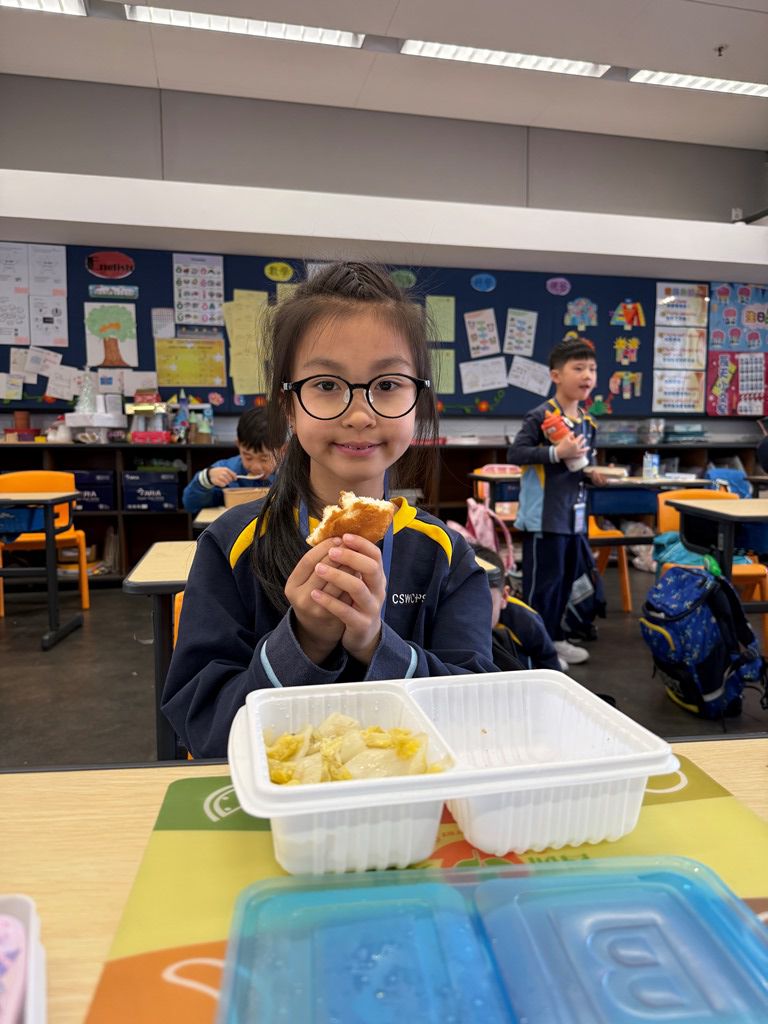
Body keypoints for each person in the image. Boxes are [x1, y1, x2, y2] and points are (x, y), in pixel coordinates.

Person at [163, 262, 496, 757]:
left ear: (419, 399)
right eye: (325, 384)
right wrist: (304, 641)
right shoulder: (232, 544)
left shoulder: (446, 555)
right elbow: (203, 727)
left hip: (407, 798)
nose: (359, 414)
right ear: (288, 404)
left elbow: (477, 716)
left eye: (388, 385)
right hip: (276, 801)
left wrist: (374, 643)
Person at [507, 337, 606, 666]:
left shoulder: (587, 422)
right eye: (578, 368)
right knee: (542, 588)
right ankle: (535, 650)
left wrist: (592, 473)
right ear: (556, 375)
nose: (587, 375)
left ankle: (556, 639)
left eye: (592, 369)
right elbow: (516, 453)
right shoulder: (541, 416)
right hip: (544, 519)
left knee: (565, 584)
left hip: (574, 519)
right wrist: (556, 452)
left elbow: (578, 467)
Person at [474, 546, 565, 672]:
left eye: (486, 604)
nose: (474, 615)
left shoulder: (525, 621)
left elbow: (549, 661)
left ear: (504, 597)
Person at [181, 408, 278, 514]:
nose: (255, 467)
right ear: (238, 444)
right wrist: (206, 479)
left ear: (282, 449)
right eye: (248, 457)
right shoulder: (225, 471)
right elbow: (190, 505)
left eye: (264, 459)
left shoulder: (288, 474)